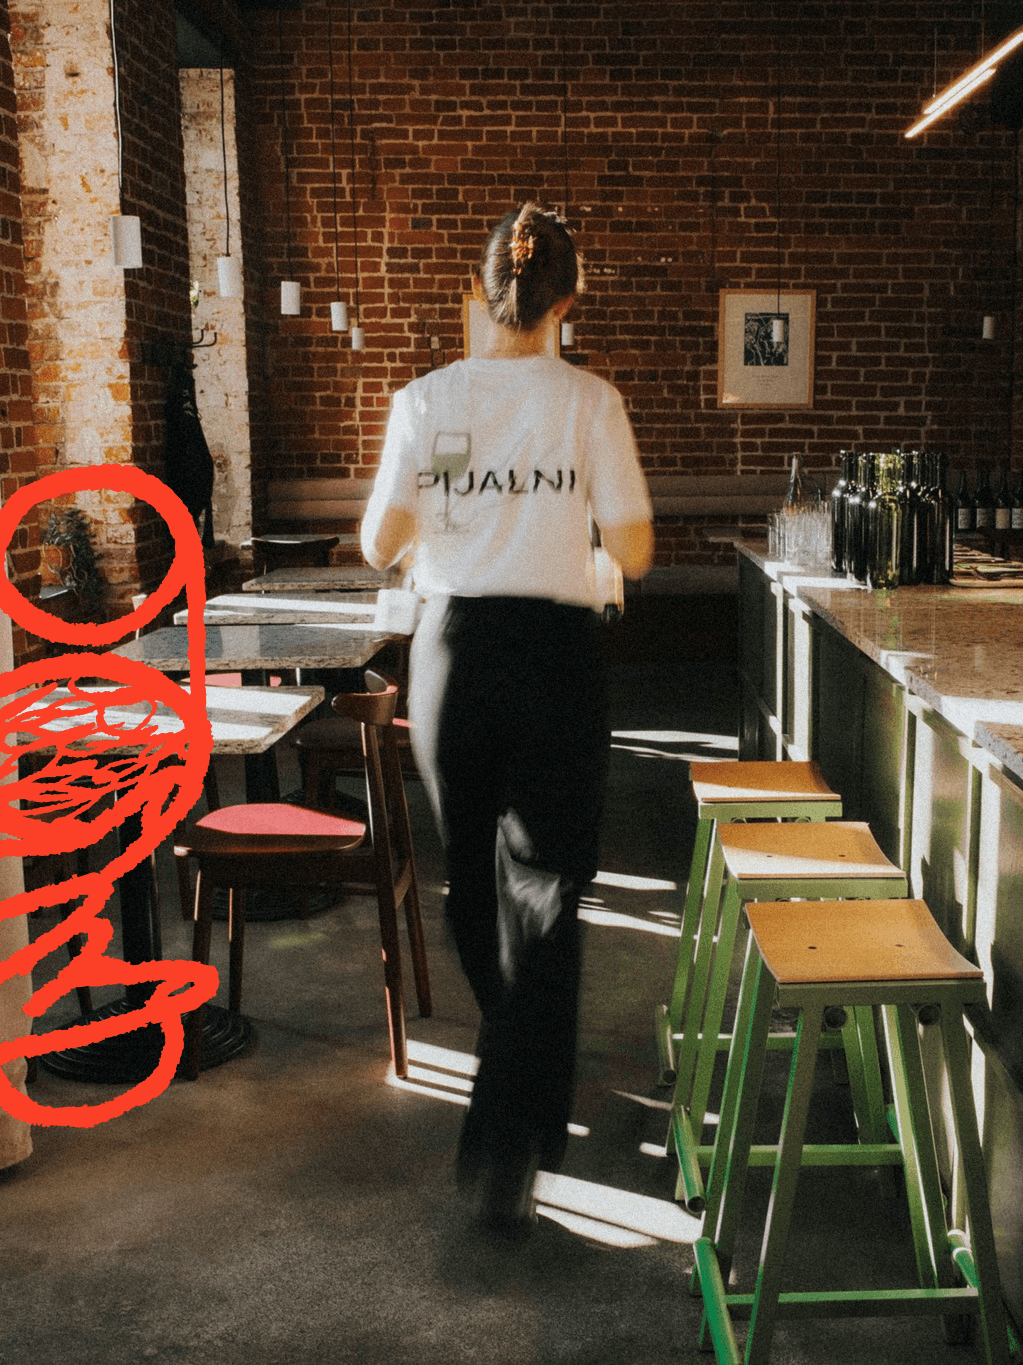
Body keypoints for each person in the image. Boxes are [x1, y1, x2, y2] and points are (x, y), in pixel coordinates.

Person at [359, 204, 653, 1233]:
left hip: (452, 655)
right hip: (554, 663)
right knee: (545, 895)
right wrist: (570, 531)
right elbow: (635, 547)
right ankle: (513, 1123)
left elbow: (382, 542)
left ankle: (507, 1119)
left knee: (472, 892)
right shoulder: (589, 403)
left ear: (483, 293)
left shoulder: (432, 403)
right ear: (566, 299)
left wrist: (462, 475)